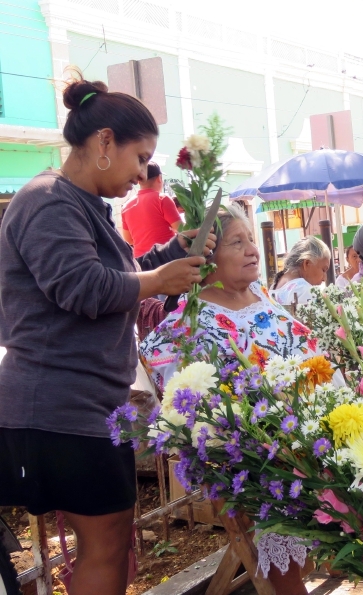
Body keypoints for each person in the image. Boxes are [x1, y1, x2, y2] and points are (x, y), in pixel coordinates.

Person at [0, 76, 214, 595]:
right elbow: (83, 288)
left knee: (112, 540)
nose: (143, 173)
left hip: (84, 407)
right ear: (103, 143)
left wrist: (166, 255)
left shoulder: (78, 204)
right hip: (58, 408)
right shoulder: (48, 200)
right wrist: (158, 279)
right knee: (105, 543)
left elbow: (116, 277)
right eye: (139, 158)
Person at [140, 204, 317, 595]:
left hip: (305, 437)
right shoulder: (190, 321)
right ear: (207, 256)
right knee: (284, 533)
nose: (253, 250)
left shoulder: (262, 296)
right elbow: (180, 403)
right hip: (251, 458)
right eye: (238, 242)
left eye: (252, 239)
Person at [121, 162, 182, 257]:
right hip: (165, 258)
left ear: (139, 181)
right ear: (159, 178)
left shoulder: (126, 206)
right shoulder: (162, 199)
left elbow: (128, 240)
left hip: (141, 263)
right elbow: (181, 229)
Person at [270, 236, 331, 306]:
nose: (324, 278)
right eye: (323, 270)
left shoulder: (275, 286)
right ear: (307, 263)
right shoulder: (304, 290)